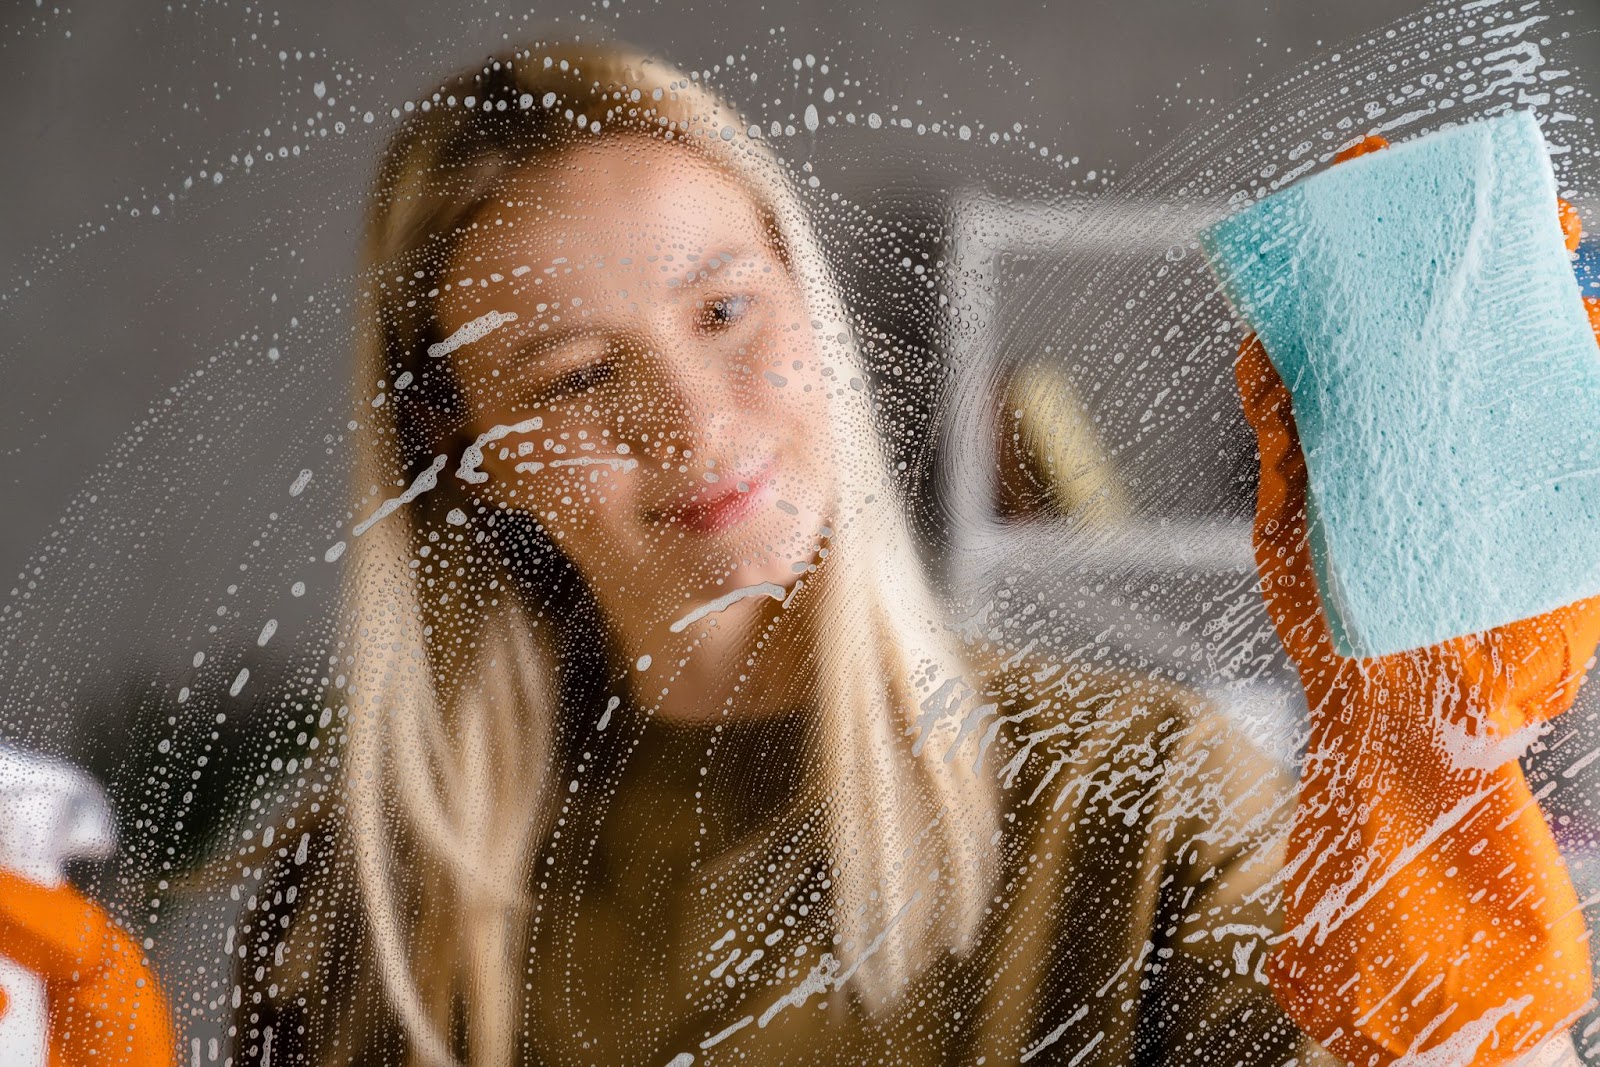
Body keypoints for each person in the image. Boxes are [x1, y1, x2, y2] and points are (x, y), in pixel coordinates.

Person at [4, 38, 1598, 1067]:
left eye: (724, 311)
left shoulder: (1152, 809)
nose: (697, 424)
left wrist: (1431, 806)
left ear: (817, 312)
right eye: (575, 374)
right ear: (461, 451)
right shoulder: (354, 907)